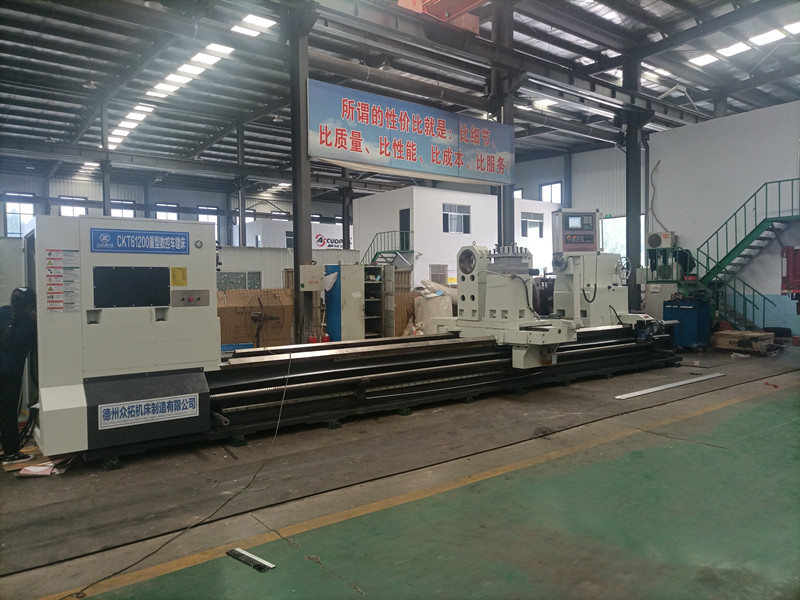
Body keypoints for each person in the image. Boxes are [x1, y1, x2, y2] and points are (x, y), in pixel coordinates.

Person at [0, 287, 37, 465]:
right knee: (8, 412)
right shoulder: (30, 324)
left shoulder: (3, 312)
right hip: (9, 373)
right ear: (31, 305)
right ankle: (11, 453)